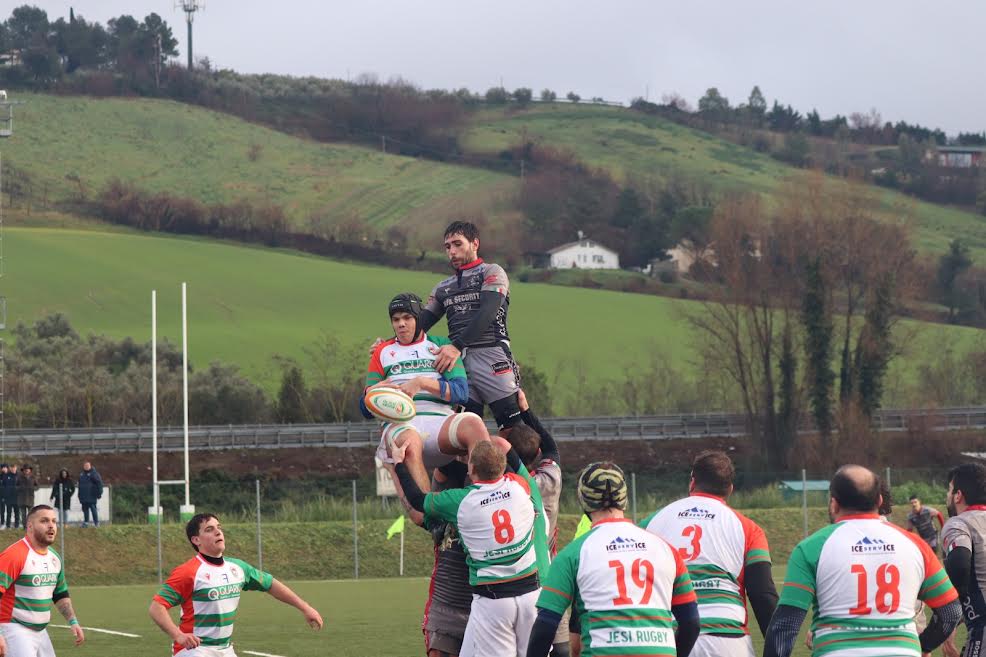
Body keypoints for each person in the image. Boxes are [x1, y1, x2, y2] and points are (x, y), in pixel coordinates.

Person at [764, 465, 961, 657]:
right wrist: (923, 646)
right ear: (880, 500)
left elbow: (786, 624)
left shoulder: (810, 548)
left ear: (834, 503)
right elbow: (951, 611)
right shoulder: (915, 545)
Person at [526, 462, 700, 657]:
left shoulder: (573, 553)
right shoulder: (666, 549)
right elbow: (691, 623)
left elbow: (546, 625)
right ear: (624, 499)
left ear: (583, 499)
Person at [393, 439, 549, 657]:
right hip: (532, 593)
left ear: (472, 469)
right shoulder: (519, 485)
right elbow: (516, 471)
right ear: (502, 468)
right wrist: (505, 448)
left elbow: (418, 500)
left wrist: (399, 464)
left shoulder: (461, 500)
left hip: (493, 600)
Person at [362, 293, 491, 520]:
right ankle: (433, 517)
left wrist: (422, 383)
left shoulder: (441, 346)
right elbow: (364, 409)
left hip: (440, 424)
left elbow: (461, 393)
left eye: (407, 318)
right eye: (395, 319)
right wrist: (373, 394)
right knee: (410, 440)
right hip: (403, 426)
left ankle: (487, 499)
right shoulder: (382, 352)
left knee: (474, 423)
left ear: (419, 318)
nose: (401, 324)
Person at [641, 450, 777, 657]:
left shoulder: (650, 523)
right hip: (727, 638)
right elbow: (763, 595)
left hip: (669, 638)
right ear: (730, 489)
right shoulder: (749, 529)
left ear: (692, 482)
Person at [149, 513, 323, 656]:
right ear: (196, 540)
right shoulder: (188, 571)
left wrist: (305, 608)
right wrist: (178, 635)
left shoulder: (238, 568)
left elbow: (270, 584)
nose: (218, 532)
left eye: (219, 527)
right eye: (210, 529)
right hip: (194, 650)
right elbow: (157, 607)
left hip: (226, 649)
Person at [418, 221, 524, 431]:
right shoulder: (442, 288)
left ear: (475, 243)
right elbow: (419, 326)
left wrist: (456, 346)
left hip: (492, 357)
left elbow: (487, 312)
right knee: (463, 436)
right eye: (448, 247)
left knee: (514, 431)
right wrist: (388, 345)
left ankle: (540, 464)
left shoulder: (492, 272)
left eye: (458, 244)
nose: (452, 251)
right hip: (459, 364)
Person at [506, 393, 569, 657]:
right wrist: (526, 410)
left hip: (517, 581)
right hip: (551, 577)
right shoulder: (551, 481)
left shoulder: (504, 490)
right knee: (561, 650)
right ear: (538, 453)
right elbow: (552, 446)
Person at [0, 504, 86, 656]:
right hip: (13, 629)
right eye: (44, 521)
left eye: (54, 521)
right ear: (30, 526)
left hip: (40, 631)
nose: (51, 526)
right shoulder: (14, 555)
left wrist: (73, 621)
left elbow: (60, 594)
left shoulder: (54, 558)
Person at [421, 463, 474, 657]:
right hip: (445, 610)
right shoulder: (440, 522)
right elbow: (419, 503)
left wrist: (396, 467)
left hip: (482, 608)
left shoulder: (487, 512)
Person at [940, 462, 986, 657]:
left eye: (949, 490)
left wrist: (948, 619)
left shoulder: (959, 523)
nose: (947, 496)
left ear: (958, 495)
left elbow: (959, 563)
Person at [77, 462, 102, 528]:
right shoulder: (81, 474)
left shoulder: (94, 474)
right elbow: (79, 485)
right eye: (85, 465)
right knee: (85, 509)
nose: (86, 467)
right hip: (83, 496)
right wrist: (79, 495)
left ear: (90, 466)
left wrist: (99, 493)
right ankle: (86, 522)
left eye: (87, 465)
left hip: (91, 495)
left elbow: (99, 484)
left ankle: (96, 523)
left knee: (93, 508)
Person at [16, 466, 39, 531]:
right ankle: (24, 526)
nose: (26, 471)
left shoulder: (33, 478)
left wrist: (33, 489)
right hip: (22, 498)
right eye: (25, 470)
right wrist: (20, 488)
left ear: (30, 471)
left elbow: (37, 486)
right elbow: (16, 486)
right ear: (23, 471)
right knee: (23, 514)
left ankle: (30, 526)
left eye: (28, 470)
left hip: (30, 498)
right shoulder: (19, 478)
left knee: (31, 514)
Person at [2, 465, 17, 529]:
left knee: (17, 512)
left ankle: (17, 525)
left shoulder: (18, 476)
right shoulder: (6, 476)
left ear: (16, 468)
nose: (13, 469)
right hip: (8, 498)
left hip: (16, 497)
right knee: (8, 512)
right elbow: (3, 487)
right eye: (12, 468)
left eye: (14, 468)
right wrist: (5, 496)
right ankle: (8, 525)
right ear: (10, 468)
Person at [0, 465, 10, 529]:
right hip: (1, 497)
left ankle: (8, 524)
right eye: (2, 468)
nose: (4, 469)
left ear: (7, 468)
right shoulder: (0, 476)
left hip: (10, 496)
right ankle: (2, 523)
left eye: (5, 468)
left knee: (9, 510)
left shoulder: (10, 476)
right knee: (2, 511)